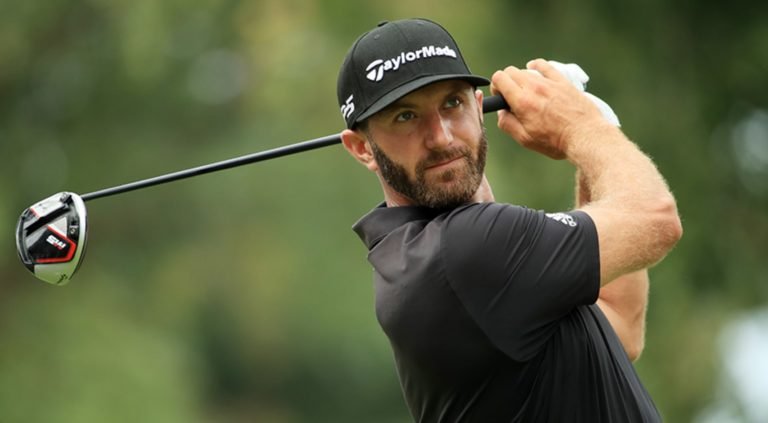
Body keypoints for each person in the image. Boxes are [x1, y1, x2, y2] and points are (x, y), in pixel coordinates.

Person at [337, 18, 682, 422]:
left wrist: (595, 130)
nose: (442, 137)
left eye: (452, 103)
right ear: (362, 148)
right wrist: (580, 127)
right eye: (406, 117)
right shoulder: (465, 248)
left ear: (478, 107)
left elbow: (619, 322)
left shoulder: (425, 257)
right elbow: (656, 218)